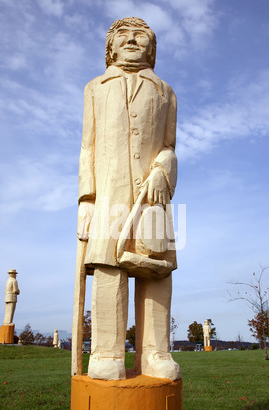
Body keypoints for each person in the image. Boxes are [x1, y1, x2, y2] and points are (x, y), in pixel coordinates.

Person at [77, 17, 180, 381]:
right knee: (109, 266)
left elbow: (169, 146)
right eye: (124, 36)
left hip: (153, 196)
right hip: (109, 192)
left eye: (141, 37)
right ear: (111, 47)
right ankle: (107, 353)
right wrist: (86, 200)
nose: (133, 41)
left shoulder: (165, 91)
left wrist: (162, 168)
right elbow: (87, 147)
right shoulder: (95, 88)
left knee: (156, 271)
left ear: (152, 49)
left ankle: (154, 353)